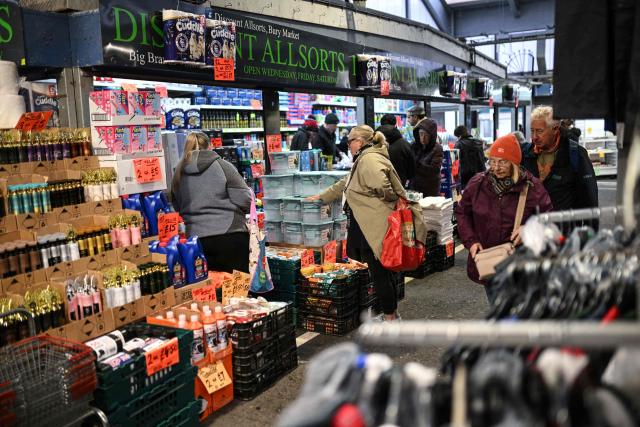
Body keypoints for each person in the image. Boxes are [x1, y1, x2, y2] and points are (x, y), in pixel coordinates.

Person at [309, 125, 427, 321]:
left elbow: (382, 185)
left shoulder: (369, 159)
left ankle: (390, 318)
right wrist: (321, 197)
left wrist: (386, 198)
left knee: (379, 272)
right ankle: (391, 314)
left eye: (350, 141)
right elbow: (345, 184)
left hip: (373, 225)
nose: (348, 145)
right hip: (370, 223)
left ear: (360, 142)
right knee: (382, 269)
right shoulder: (365, 158)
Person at [455, 134, 552, 302]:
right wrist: (471, 241)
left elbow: (548, 217)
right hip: (489, 262)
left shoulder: (532, 187)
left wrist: (529, 229)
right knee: (497, 307)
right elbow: (463, 212)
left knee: (517, 313)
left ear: (514, 163)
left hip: (520, 265)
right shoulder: (478, 184)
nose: (496, 167)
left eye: (503, 162)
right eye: (493, 161)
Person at [171, 131, 252, 273]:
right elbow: (245, 198)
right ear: (210, 145)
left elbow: (176, 206)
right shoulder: (223, 166)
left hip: (196, 242)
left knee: (208, 289)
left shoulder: (178, 173)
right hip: (230, 236)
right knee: (236, 291)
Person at [521, 106, 598, 211]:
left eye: (539, 131)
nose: (534, 137)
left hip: (562, 225)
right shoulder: (525, 153)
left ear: (555, 129)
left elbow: (590, 198)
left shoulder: (576, 155)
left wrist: (590, 227)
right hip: (532, 225)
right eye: (532, 130)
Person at [377, 113, 416, 185]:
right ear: (395, 125)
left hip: (377, 185)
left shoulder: (372, 143)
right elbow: (412, 170)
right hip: (399, 184)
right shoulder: (405, 145)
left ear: (381, 125)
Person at [409, 117, 443, 197]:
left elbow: (434, 170)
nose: (423, 138)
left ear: (432, 135)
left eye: (426, 135)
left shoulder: (437, 148)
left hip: (430, 190)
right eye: (421, 134)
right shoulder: (414, 146)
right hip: (414, 188)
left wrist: (416, 164)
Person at [453, 125, 486, 189]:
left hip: (465, 176)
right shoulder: (478, 142)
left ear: (459, 136)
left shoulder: (459, 144)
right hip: (480, 174)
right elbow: (482, 158)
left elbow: (455, 161)